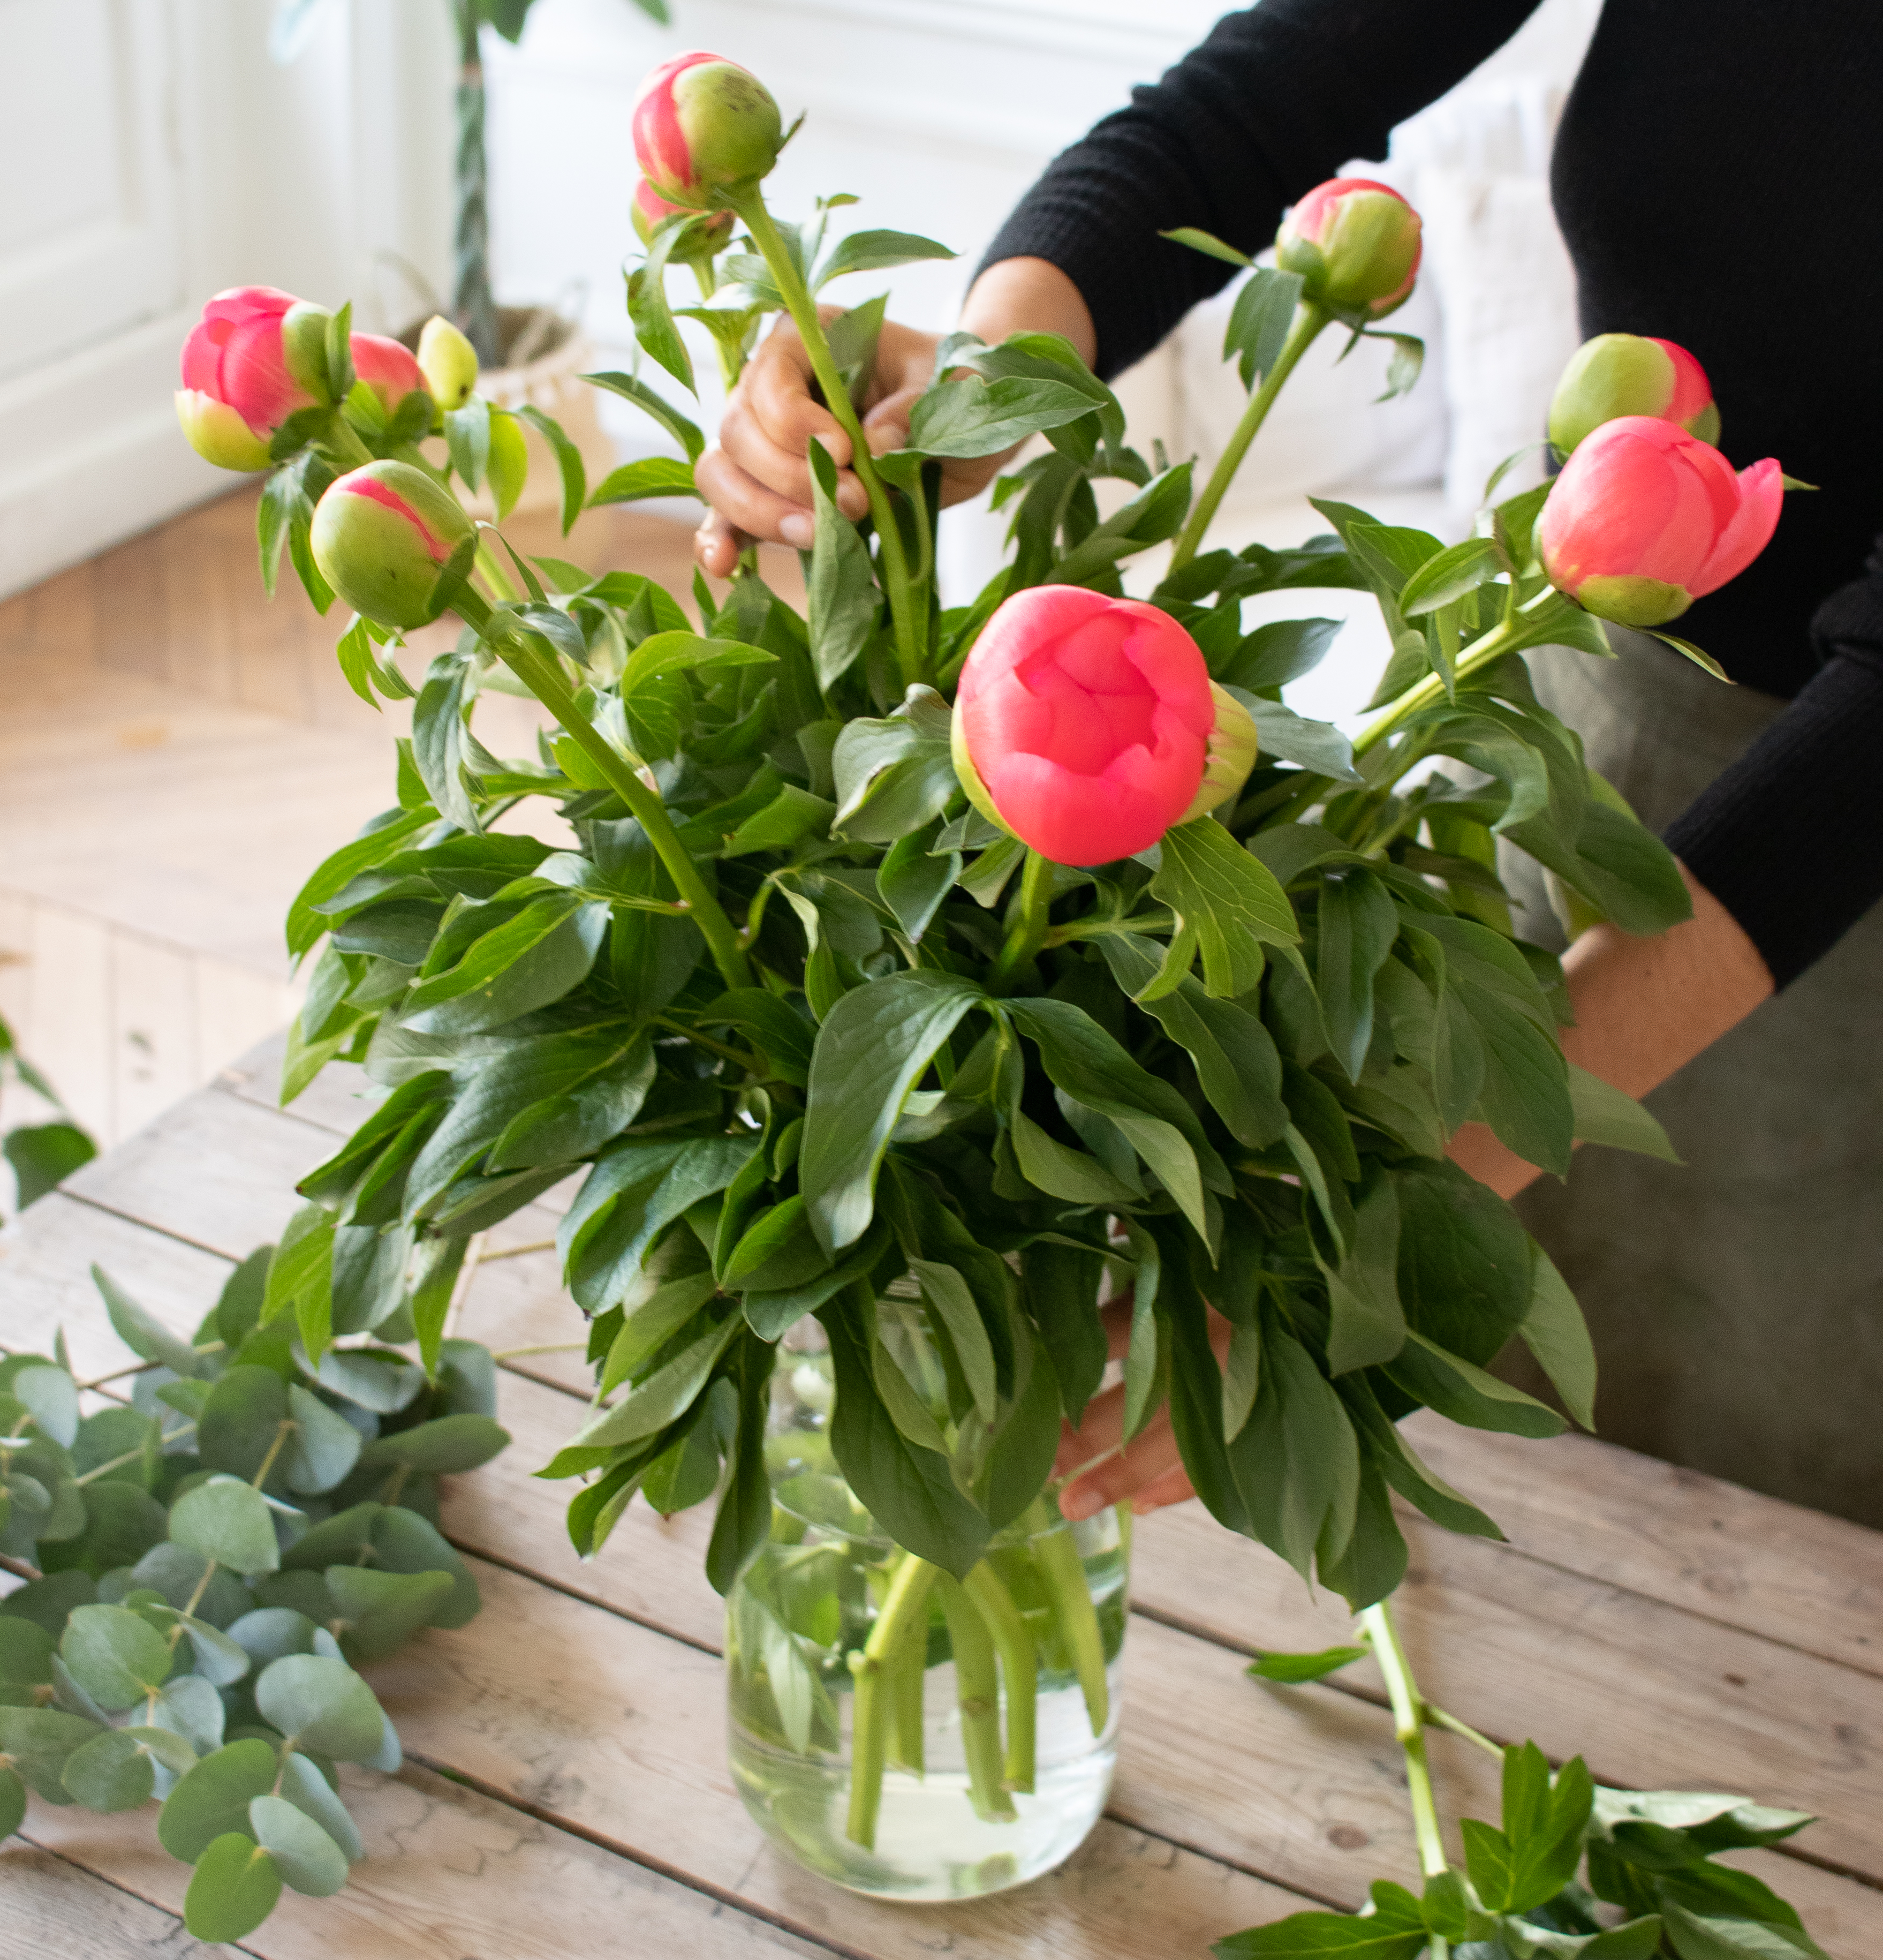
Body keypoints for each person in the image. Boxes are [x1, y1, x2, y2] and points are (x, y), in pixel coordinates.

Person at [694, 0, 1883, 1528]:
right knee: (1494, 1449)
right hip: (1585, 716)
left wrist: (1372, 1214)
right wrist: (979, 389)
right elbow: (1239, 112)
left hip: (1822, 891)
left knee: (1754, 1539)